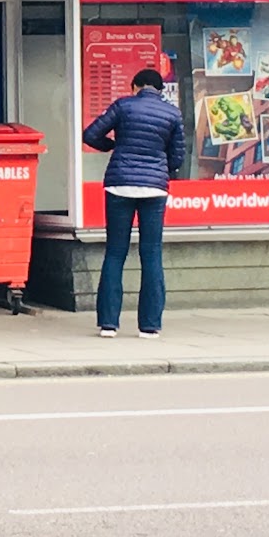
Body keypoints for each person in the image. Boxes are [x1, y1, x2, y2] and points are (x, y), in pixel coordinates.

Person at [83, 67, 186, 339]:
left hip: (120, 184)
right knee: (151, 254)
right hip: (154, 189)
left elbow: (90, 134)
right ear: (159, 89)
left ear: (136, 86)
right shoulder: (172, 113)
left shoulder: (123, 106)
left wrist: (113, 147)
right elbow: (177, 158)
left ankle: (108, 324)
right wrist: (160, 166)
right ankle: (150, 326)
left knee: (115, 252)